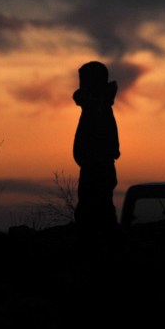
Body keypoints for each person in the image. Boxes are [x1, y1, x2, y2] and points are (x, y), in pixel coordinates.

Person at [72, 60, 121, 247]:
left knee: (93, 210)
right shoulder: (98, 105)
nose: (80, 85)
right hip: (96, 165)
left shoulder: (97, 107)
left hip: (97, 166)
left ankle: (99, 249)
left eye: (83, 81)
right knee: (97, 209)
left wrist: (90, 158)